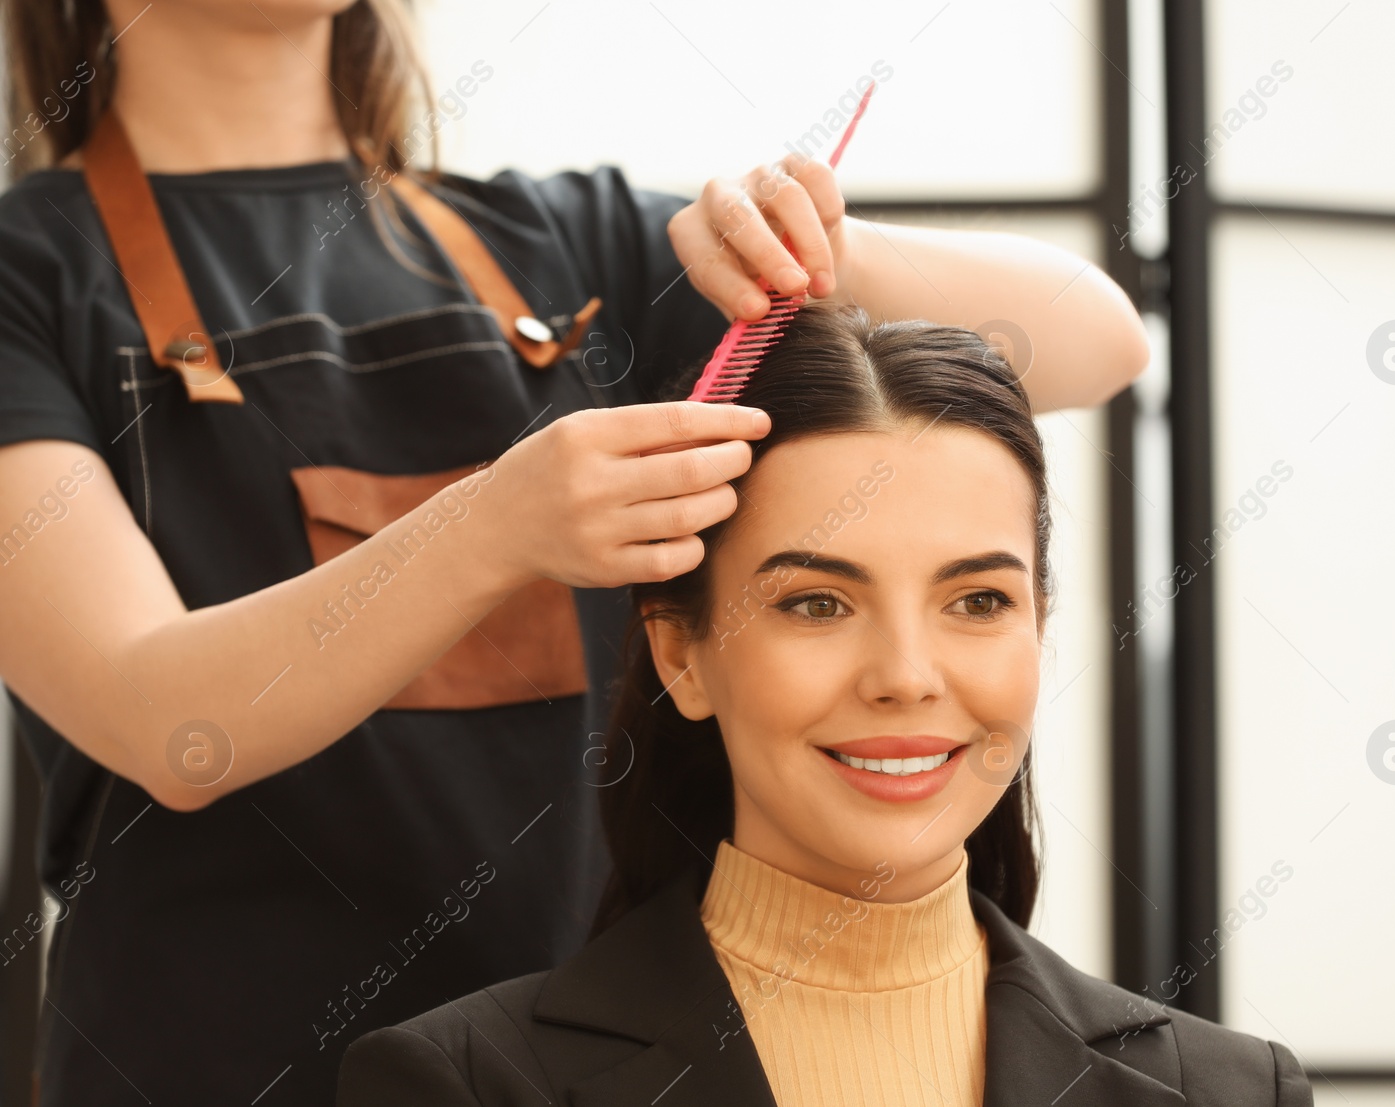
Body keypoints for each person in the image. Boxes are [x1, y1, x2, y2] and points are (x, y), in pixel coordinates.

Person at [0, 1, 1149, 1103]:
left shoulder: (567, 242)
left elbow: (1093, 342)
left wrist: (827, 253)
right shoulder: (29, 278)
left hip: (597, 1069)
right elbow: (165, 724)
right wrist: (496, 524)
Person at [335, 301, 1313, 1106]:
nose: (905, 674)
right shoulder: (465, 1085)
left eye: (977, 601)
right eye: (816, 603)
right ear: (682, 653)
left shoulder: (1227, 1093)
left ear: (1041, 624)